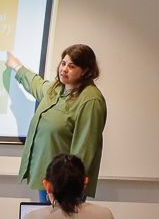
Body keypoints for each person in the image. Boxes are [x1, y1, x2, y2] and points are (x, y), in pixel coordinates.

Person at [6, 43, 107, 198]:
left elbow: (84, 150)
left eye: (71, 66)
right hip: (48, 180)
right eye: (63, 63)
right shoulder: (57, 89)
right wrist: (17, 67)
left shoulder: (90, 100)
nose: (64, 69)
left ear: (86, 71)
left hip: (65, 187)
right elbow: (36, 85)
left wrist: (65, 189)